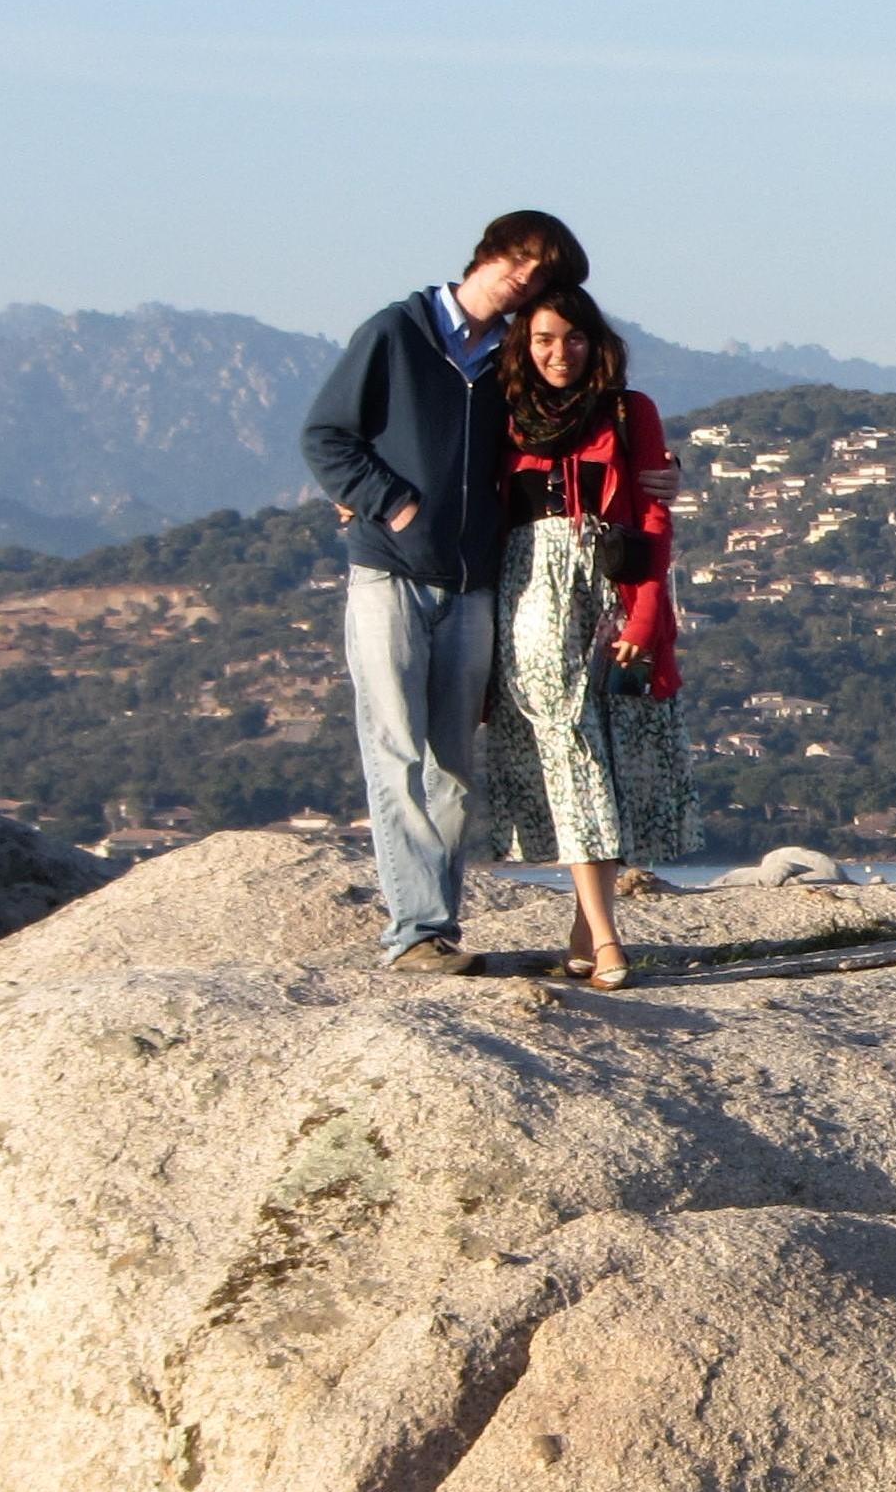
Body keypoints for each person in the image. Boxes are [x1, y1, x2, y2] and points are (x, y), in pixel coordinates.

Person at [299, 212, 672, 974]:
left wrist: (659, 471)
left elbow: (569, 432)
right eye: (518, 262)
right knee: (397, 749)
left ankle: (438, 929)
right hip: (391, 572)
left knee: (453, 765)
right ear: (487, 254)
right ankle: (415, 932)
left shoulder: (509, 358)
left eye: (540, 276)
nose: (524, 281)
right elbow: (327, 436)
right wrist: (390, 503)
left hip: (475, 584)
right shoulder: (397, 333)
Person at [487, 283, 701, 988]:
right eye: (544, 339)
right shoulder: (498, 409)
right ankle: (607, 940)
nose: (560, 353)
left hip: (612, 588)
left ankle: (585, 928)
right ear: (523, 344)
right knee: (568, 746)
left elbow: (653, 520)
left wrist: (646, 617)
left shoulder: (629, 411)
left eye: (574, 338)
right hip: (529, 590)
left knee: (605, 757)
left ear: (596, 343)